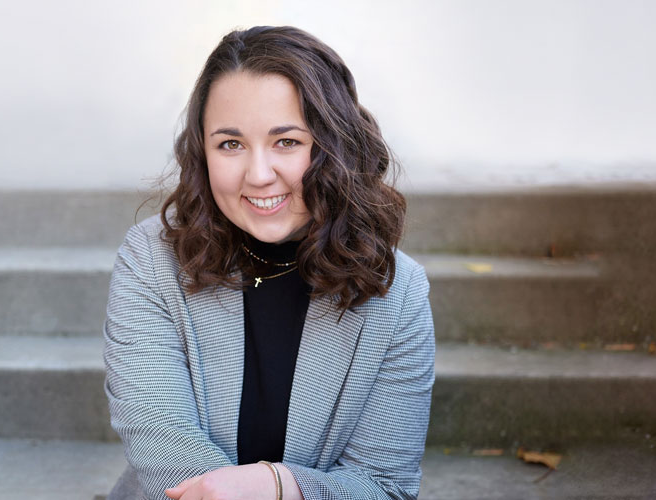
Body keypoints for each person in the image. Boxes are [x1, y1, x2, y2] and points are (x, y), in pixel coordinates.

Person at [103, 26, 434, 500]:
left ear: (334, 146)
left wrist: (279, 487)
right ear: (202, 152)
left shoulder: (398, 292)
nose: (258, 176)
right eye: (230, 144)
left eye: (287, 142)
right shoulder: (151, 258)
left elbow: (384, 485)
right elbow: (163, 446)